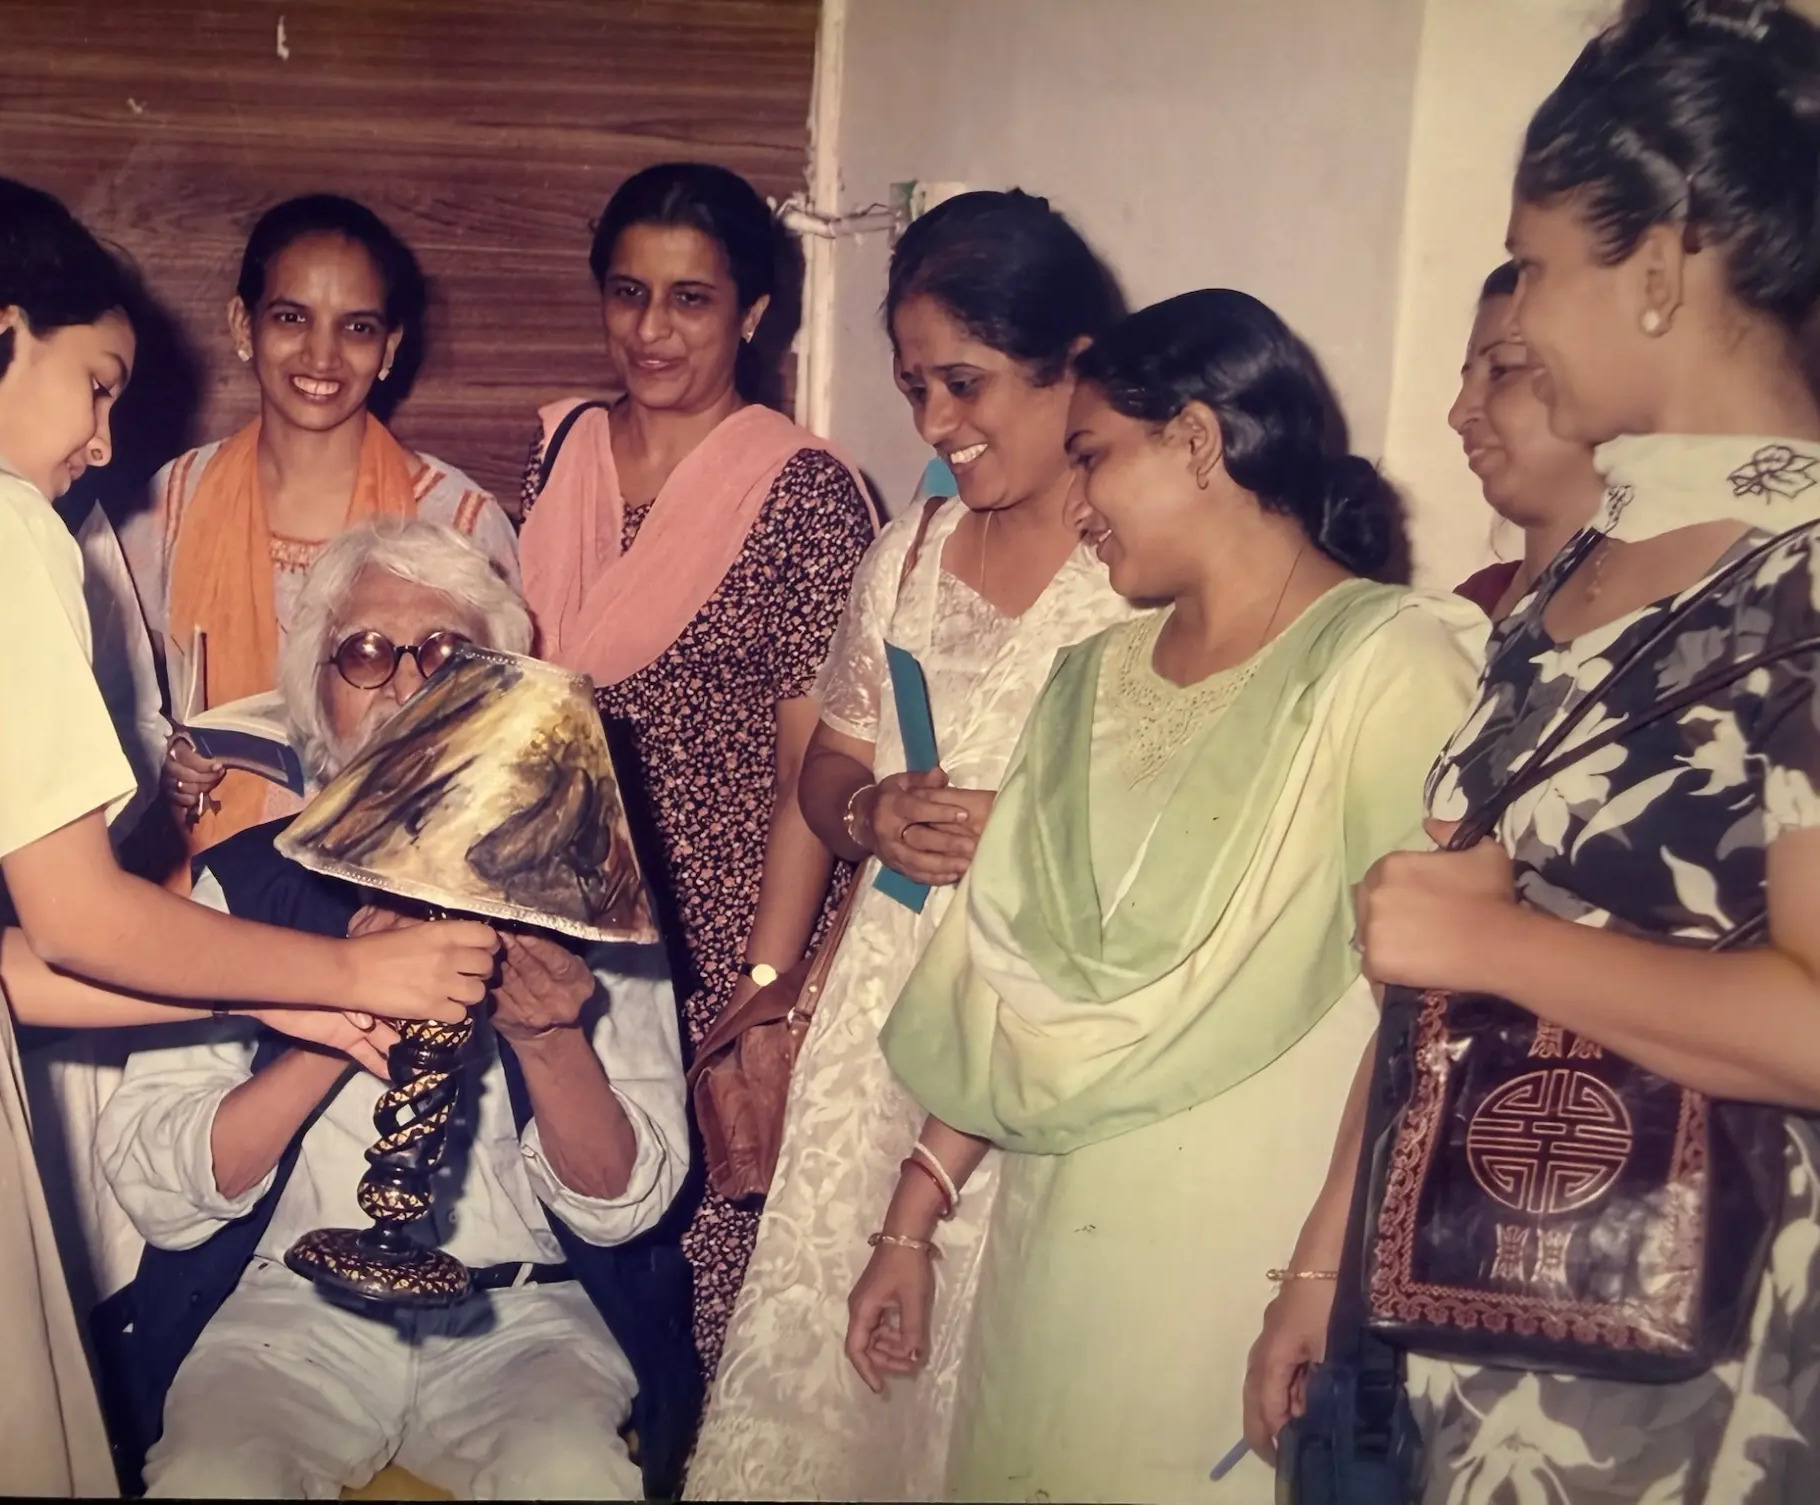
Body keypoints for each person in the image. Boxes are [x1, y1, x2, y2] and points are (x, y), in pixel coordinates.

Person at [0, 170, 497, 1496]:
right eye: (97, 384)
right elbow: (81, 914)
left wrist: (308, 1018)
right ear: (1, 330)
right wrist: (353, 972)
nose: (104, 444)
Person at [1252, 3, 1820, 1498]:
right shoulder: (1577, 576)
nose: (1525, 311)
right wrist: (1326, 1269)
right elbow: (1445, 968)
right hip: (1477, 1329)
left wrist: (1495, 943)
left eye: (1542, 259)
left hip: (1707, 1381)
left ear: (1657, 264)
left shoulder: (1808, 577)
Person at [854, 290, 1488, 1503]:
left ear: (1196, 440)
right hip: (1053, 1249)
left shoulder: (1394, 659)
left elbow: (1427, 1011)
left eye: (1094, 455)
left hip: (1249, 1248)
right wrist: (910, 1220)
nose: (1076, 501)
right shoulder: (1087, 675)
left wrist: (1314, 1280)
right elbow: (1012, 976)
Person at [94, 519, 695, 1500]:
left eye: (448, 655)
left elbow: (629, 1203)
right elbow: (157, 1185)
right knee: (213, 1476)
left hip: (521, 1320)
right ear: (315, 694)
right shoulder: (238, 882)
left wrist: (549, 1042)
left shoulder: (588, 887)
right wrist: (339, 1002)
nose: (409, 683)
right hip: (283, 1315)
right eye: (367, 651)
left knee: (576, 1473)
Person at [685, 189, 1134, 1501]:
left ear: (1075, 367)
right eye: (914, 386)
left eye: (966, 382)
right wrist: (867, 814)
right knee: (824, 1392)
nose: (935, 424)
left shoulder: (1137, 568)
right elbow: (827, 765)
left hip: (1036, 1023)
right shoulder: (909, 552)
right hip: (880, 1018)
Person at [517, 161, 876, 1378]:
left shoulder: (807, 493)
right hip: (569, 896)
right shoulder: (563, 446)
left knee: (711, 1265)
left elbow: (808, 775)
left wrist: (767, 980)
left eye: (690, 301)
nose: (651, 332)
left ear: (753, 313)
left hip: (727, 914)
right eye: (628, 294)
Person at [118, 193, 519, 858]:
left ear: (389, 347)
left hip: (391, 891)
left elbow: (503, 743)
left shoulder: (458, 517)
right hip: (199, 901)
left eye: (357, 328)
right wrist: (160, 765)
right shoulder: (171, 503)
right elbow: (103, 704)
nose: (322, 354)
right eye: (291, 317)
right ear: (243, 326)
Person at [1448, 262, 1605, 617]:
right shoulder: (1471, 607)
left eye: (1501, 369)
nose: (1457, 415)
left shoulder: (1671, 610)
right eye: (1467, 378)